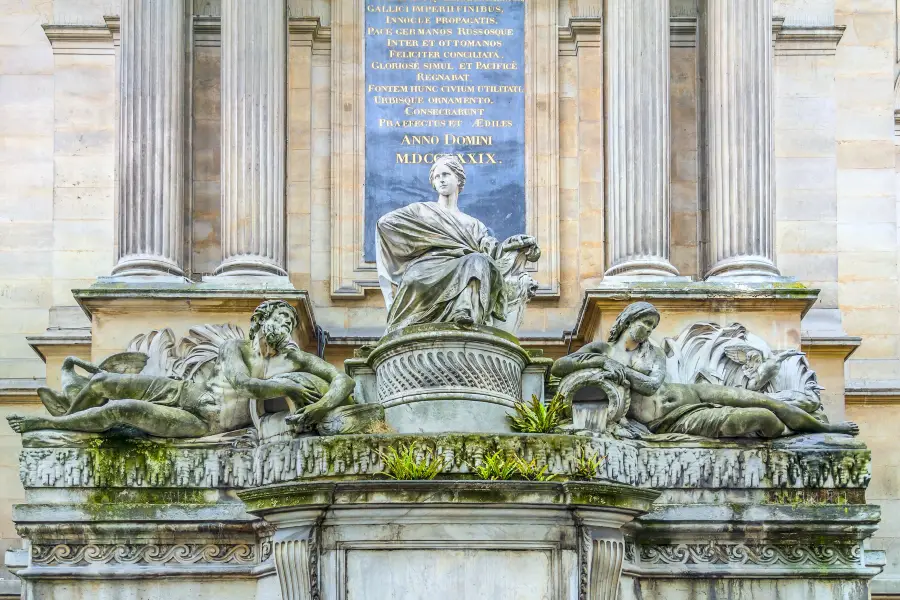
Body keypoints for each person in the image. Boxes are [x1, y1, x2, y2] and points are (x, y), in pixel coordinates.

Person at [7, 300, 356, 438]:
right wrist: (291, 389)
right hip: (188, 391)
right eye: (279, 317)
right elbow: (240, 382)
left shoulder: (295, 360)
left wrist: (318, 406)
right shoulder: (236, 347)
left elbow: (342, 381)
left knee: (123, 410)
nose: (285, 324)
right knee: (106, 383)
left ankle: (47, 423)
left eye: (289, 320)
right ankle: (69, 414)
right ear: (260, 322)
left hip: (206, 420)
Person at [551, 302, 859, 438]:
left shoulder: (654, 354)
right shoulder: (601, 351)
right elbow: (558, 367)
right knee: (762, 417)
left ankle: (824, 428)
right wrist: (603, 363)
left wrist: (623, 373)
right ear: (625, 322)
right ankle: (788, 432)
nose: (646, 329)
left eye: (651, 325)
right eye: (642, 322)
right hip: (673, 419)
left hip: (692, 393)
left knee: (765, 400)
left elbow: (651, 383)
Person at [375, 154, 540, 335]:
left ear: (458, 179)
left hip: (467, 264)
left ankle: (465, 311)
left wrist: (515, 244)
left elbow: (492, 250)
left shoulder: (473, 224)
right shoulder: (422, 211)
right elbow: (386, 223)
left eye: (446, 175)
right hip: (427, 267)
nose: (441, 180)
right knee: (471, 262)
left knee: (478, 261)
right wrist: (428, 239)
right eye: (437, 177)